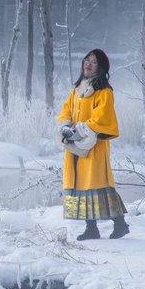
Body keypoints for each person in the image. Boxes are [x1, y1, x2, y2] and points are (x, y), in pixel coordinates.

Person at [57, 48, 129, 240]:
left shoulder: (104, 92)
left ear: (101, 67)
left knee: (99, 185)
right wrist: (65, 127)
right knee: (80, 184)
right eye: (86, 60)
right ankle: (91, 228)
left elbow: (101, 117)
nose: (88, 64)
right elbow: (66, 111)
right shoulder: (77, 90)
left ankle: (120, 224)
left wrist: (80, 132)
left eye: (94, 61)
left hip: (94, 146)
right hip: (75, 145)